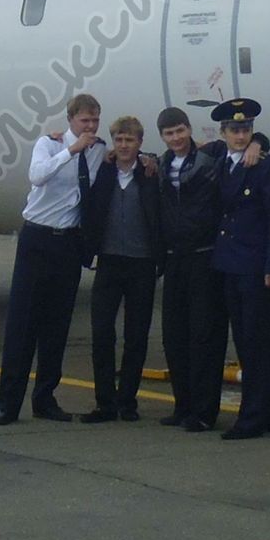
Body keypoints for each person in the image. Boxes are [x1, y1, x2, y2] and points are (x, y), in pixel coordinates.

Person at [0, 93, 104, 425]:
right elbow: (37, 175)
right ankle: (8, 403)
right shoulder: (50, 145)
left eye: (94, 121)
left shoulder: (99, 151)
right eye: (85, 120)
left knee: (57, 327)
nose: (90, 126)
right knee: (22, 324)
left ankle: (45, 398)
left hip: (68, 243)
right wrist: (70, 151)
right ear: (70, 120)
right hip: (38, 238)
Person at [155, 106, 242, 430]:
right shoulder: (161, 164)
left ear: (189, 129)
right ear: (162, 137)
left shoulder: (212, 156)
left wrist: (258, 141)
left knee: (205, 336)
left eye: (180, 131)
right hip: (175, 257)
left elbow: (244, 140)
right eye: (169, 133)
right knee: (174, 337)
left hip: (204, 257)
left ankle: (204, 412)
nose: (176, 138)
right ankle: (183, 406)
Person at [211, 99, 270, 441]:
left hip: (255, 267)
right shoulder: (221, 162)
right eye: (234, 130)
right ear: (223, 133)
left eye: (246, 130)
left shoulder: (266, 167)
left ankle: (252, 417)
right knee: (245, 341)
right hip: (229, 264)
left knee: (255, 342)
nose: (240, 136)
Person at [82, 115, 162, 422]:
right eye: (119, 140)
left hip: (142, 263)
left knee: (136, 335)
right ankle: (105, 402)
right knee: (102, 333)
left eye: (130, 140)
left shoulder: (151, 173)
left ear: (140, 144)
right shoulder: (102, 171)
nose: (124, 145)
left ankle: (127, 400)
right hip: (109, 261)